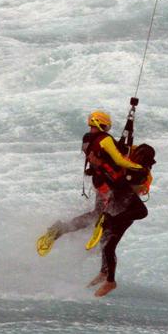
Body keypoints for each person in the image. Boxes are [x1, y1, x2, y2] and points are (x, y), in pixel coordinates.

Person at [37, 110, 151, 298]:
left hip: (103, 185)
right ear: (102, 125)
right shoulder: (106, 141)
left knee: (99, 222)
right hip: (111, 188)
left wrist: (129, 131)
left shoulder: (88, 140)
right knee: (106, 227)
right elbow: (119, 159)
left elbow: (118, 154)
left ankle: (63, 229)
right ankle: (107, 273)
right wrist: (134, 166)